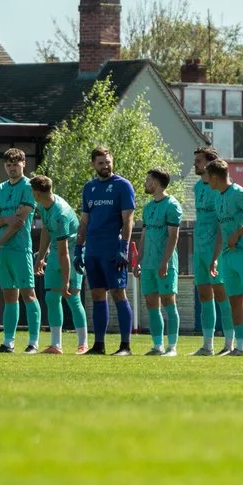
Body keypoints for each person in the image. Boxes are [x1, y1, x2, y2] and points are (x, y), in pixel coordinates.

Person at [202, 156, 243, 357]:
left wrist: (238, 234)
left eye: (207, 176)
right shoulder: (217, 197)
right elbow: (223, 229)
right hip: (227, 256)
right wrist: (215, 257)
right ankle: (241, 347)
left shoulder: (239, 193)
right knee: (235, 302)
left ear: (214, 177)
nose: (205, 179)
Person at [79, 145, 138, 356]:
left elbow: (128, 219)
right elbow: (84, 221)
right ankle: (99, 345)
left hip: (113, 248)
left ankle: (125, 346)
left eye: (108, 162)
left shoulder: (123, 186)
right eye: (101, 163)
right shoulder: (89, 187)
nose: (105, 166)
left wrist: (124, 246)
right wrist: (79, 247)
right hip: (93, 249)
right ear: (93, 164)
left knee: (118, 292)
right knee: (97, 295)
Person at [0, 148, 37, 356]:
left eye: (15, 164)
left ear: (24, 163)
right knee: (9, 296)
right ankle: (8, 342)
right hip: (4, 252)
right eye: (8, 165)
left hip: (20, 248)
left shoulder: (29, 187)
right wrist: (5, 219)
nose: (12, 168)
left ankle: (33, 342)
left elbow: (19, 223)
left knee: (29, 294)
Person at [136, 168, 187, 356]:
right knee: (151, 303)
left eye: (148, 180)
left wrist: (165, 261)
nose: (145, 183)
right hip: (148, 264)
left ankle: (172, 347)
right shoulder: (148, 207)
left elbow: (174, 237)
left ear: (156, 183)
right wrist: (139, 260)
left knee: (168, 302)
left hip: (164, 264)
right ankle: (157, 346)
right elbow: (145, 234)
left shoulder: (172, 205)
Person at [33, 175, 85, 353]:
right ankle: (56, 345)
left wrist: (66, 280)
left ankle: (83, 344)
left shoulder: (60, 214)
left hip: (71, 252)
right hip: (56, 252)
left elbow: (65, 252)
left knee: (72, 297)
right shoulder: (42, 205)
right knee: (51, 297)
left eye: (32, 191)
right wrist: (41, 257)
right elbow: (46, 231)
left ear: (38, 193)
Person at [190, 148, 229, 355]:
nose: (195, 164)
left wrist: (217, 251)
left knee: (222, 293)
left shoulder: (219, 188)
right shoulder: (197, 187)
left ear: (210, 164)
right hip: (200, 247)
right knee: (204, 294)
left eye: (198, 161)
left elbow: (223, 223)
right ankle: (208, 345)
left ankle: (230, 344)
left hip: (217, 248)